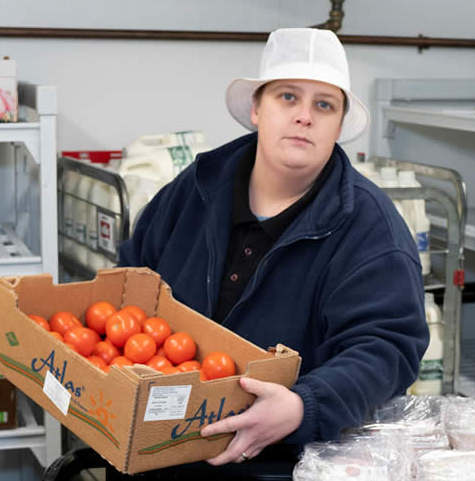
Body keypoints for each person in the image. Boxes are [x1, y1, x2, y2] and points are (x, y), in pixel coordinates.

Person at [117, 27, 429, 468]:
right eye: (287, 97)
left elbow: (387, 349)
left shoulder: (370, 229)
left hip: (283, 462)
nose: (305, 116)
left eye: (324, 105)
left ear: (339, 125)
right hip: (158, 450)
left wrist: (304, 406)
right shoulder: (198, 188)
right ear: (256, 108)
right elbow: (132, 277)